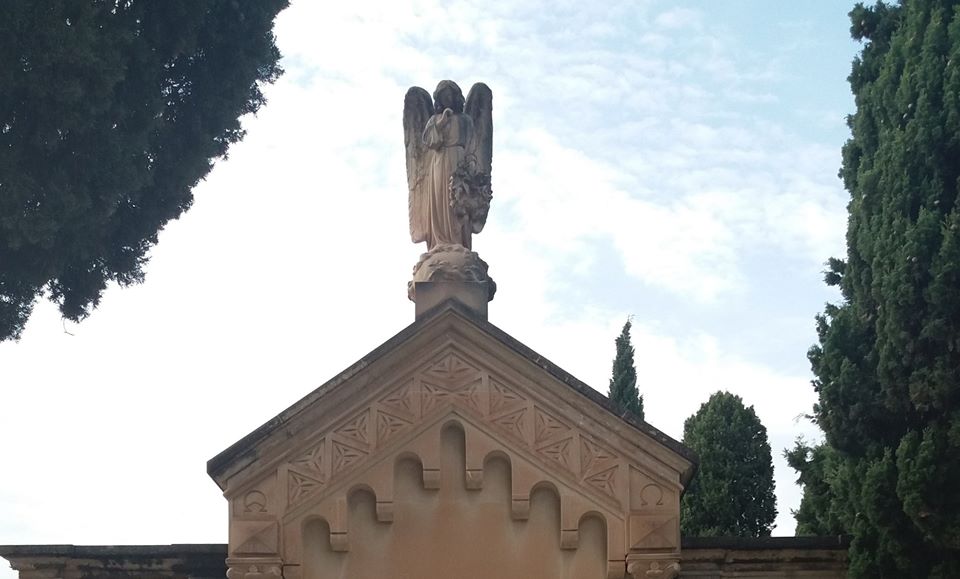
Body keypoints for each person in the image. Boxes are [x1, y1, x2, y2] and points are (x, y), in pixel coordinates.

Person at [419, 81, 475, 250]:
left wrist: (471, 165)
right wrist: (442, 122)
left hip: (459, 162)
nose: (447, 99)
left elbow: (472, 145)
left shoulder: (465, 120)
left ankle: (458, 242)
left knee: (457, 202)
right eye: (444, 96)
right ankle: (440, 242)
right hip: (439, 161)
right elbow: (429, 141)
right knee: (440, 197)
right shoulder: (434, 120)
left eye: (450, 95)